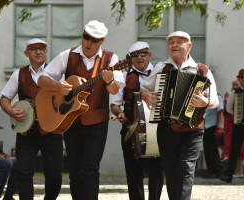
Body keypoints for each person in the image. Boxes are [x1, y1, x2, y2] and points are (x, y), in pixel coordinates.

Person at [38, 20, 125, 200]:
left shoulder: (111, 59)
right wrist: (56, 87)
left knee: (90, 169)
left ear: (102, 41)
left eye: (94, 39)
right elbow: (42, 79)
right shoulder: (67, 55)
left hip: (97, 122)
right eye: (86, 37)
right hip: (71, 121)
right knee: (75, 172)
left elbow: (115, 90)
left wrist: (109, 80)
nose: (89, 42)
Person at [140, 31, 219, 200]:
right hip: (166, 126)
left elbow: (214, 99)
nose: (175, 45)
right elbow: (144, 88)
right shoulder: (161, 68)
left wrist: (205, 102)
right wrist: (144, 95)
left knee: (185, 167)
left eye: (180, 42)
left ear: (189, 46)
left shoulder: (201, 69)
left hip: (193, 127)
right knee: (170, 169)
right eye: (171, 42)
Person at [0, 38, 63, 199]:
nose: (39, 51)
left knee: (55, 176)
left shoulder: (56, 73)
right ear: (26, 53)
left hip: (51, 131)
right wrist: (11, 111)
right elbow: (4, 98)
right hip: (25, 133)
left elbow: (65, 97)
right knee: (24, 173)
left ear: (47, 52)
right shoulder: (18, 74)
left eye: (42, 48)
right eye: (34, 49)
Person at [110, 41, 164, 200]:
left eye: (143, 53)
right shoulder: (123, 76)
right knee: (133, 173)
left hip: (156, 129)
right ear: (130, 59)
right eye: (135, 55)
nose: (139, 57)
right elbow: (114, 104)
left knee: (157, 171)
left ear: (150, 55)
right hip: (131, 128)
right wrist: (119, 113)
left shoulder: (159, 72)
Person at [220, 69, 244, 184]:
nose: (243, 79)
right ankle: (229, 175)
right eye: (241, 77)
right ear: (238, 79)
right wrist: (238, 116)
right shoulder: (234, 92)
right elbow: (229, 108)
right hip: (238, 126)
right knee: (234, 150)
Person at [220, 81, 244, 178]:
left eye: (236, 85)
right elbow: (225, 111)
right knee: (229, 146)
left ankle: (239, 171)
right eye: (233, 85)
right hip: (228, 124)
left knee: (241, 150)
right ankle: (232, 169)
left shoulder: (241, 95)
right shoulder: (229, 95)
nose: (234, 87)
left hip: (237, 124)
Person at [202, 94, 223, 178]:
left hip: (213, 126)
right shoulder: (203, 97)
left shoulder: (218, 97)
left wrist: (219, 126)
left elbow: (220, 111)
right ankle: (210, 171)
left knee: (213, 150)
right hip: (205, 127)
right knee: (207, 149)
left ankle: (216, 171)